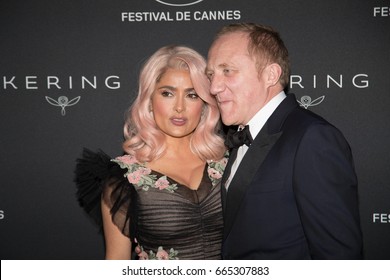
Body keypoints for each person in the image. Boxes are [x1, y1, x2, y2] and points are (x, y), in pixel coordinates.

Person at [206, 22, 363, 259]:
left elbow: (339, 258)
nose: (214, 87)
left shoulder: (312, 138)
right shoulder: (241, 136)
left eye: (227, 71)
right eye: (211, 75)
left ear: (271, 74)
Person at [75, 45, 227, 260]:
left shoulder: (229, 163)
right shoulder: (124, 178)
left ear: (204, 104)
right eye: (167, 93)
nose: (179, 107)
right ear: (149, 100)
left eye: (192, 95)